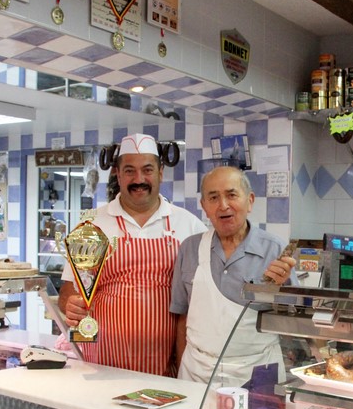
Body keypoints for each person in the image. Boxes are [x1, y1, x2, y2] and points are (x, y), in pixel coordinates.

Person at [59, 133, 207, 375]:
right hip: (103, 362)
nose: (139, 179)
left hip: (168, 364)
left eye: (147, 170)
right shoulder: (92, 225)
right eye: (130, 171)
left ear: (160, 172)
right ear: (117, 174)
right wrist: (71, 304)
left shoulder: (189, 225)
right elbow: (68, 290)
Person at [171, 166, 297, 386]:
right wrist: (182, 363)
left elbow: (291, 322)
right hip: (196, 372)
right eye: (213, 197)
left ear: (250, 201)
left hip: (257, 371)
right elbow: (182, 317)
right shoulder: (189, 249)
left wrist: (282, 289)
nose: (223, 205)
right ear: (204, 206)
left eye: (231, 195)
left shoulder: (275, 251)